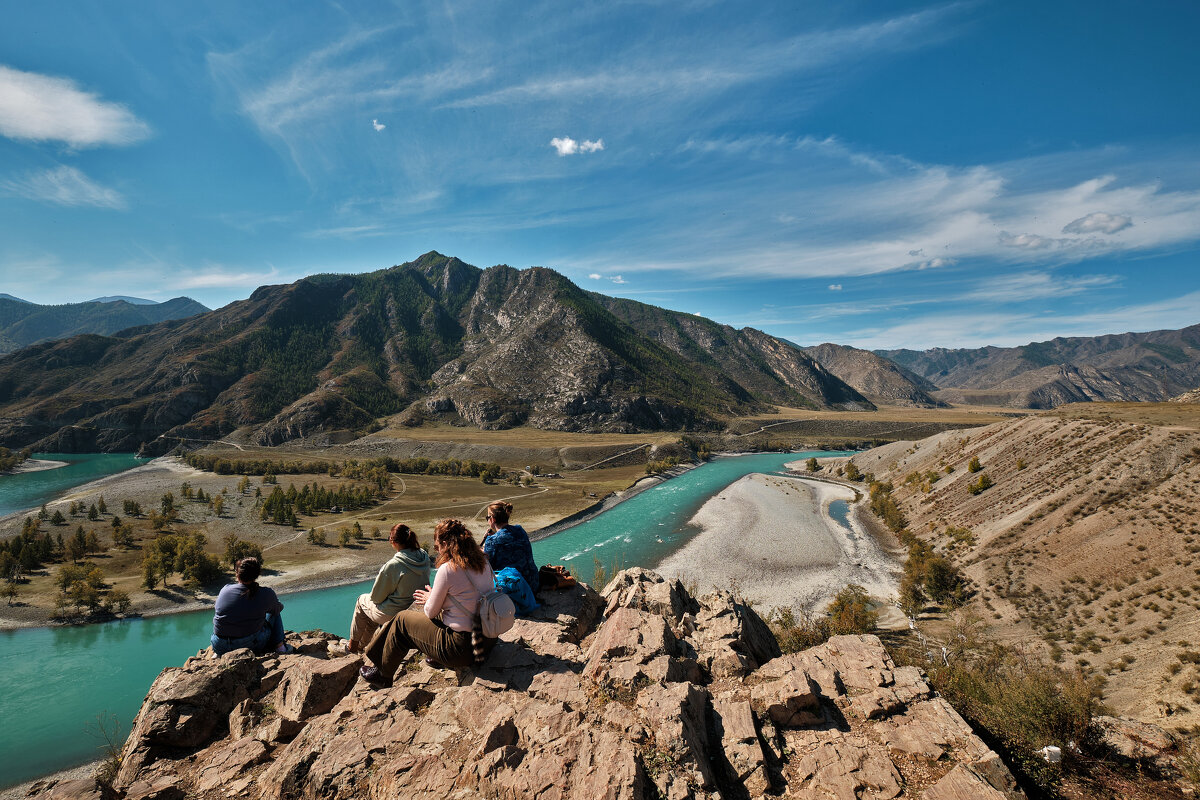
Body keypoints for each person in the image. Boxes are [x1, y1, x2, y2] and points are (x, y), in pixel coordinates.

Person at [361, 518, 494, 685]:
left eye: (437, 546)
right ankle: (436, 656)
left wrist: (430, 598)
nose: (437, 550)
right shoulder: (483, 560)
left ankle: (383, 674)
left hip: (462, 650)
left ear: (446, 544)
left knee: (402, 620)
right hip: (487, 639)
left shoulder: (448, 570)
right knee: (441, 615)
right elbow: (467, 598)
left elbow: (430, 612)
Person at [328, 523, 430, 655]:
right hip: (414, 610)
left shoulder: (394, 565)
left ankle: (351, 648)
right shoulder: (424, 556)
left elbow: (376, 597)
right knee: (371, 611)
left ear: (392, 541)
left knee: (362, 601)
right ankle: (360, 646)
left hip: (394, 614)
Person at [211, 557, 293, 656]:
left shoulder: (225, 589)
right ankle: (281, 648)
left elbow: (218, 609)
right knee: (274, 612)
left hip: (218, 644)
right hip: (247, 644)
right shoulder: (266, 593)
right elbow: (278, 609)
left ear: (237, 573)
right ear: (257, 574)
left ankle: (219, 654)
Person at [482, 501, 539, 594]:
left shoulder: (492, 540)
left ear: (493, 519)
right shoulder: (520, 529)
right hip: (533, 583)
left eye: (487, 517)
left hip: (514, 588)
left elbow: (488, 567)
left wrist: (486, 545)